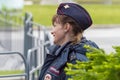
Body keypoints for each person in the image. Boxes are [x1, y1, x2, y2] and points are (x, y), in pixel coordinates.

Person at [38, 2, 99, 80]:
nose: (52, 31)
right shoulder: (60, 52)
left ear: (66, 27)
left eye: (55, 26)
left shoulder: (76, 61)